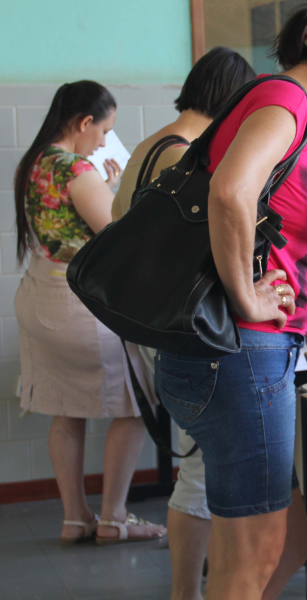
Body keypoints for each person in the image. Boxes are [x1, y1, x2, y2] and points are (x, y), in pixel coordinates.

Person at [153, 7, 307, 599]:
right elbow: (230, 191)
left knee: (291, 540)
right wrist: (246, 296)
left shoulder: (289, 111)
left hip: (247, 357)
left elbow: (290, 262)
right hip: (239, 358)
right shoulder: (285, 102)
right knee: (254, 555)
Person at [111, 48, 255, 600]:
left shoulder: (149, 145)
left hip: (146, 324)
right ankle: (187, 592)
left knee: (194, 459)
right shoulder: (190, 155)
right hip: (180, 328)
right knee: (199, 468)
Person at [13, 81, 166, 545]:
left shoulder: (34, 162)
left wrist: (108, 185)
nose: (103, 142)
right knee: (138, 403)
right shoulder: (78, 169)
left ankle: (75, 517)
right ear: (83, 123)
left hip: (38, 296)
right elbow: (115, 236)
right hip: (79, 303)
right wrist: (120, 192)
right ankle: (114, 518)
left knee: (65, 410)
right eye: (103, 131)